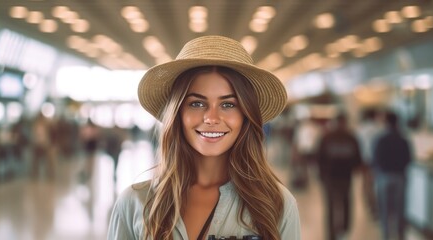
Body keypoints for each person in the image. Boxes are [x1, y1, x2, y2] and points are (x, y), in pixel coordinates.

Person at [108, 35, 301, 240]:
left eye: (228, 105)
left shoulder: (277, 204)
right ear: (178, 113)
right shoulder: (134, 203)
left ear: (246, 115)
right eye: (197, 103)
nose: (211, 118)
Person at [317, 113, 362, 240]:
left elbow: (319, 157)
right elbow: (319, 157)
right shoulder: (349, 137)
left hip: (336, 177)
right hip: (337, 177)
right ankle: (338, 232)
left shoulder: (329, 137)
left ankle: (338, 231)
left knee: (339, 204)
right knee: (339, 203)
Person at [372, 111, 412, 240]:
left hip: (384, 177)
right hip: (399, 177)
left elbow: (375, 159)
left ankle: (386, 235)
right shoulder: (403, 139)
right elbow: (409, 159)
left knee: (385, 209)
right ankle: (400, 235)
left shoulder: (380, 139)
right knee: (399, 210)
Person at [355, 108, 384, 219]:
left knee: (366, 185)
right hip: (377, 161)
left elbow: (358, 146)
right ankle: (376, 207)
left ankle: (370, 206)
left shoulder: (361, 129)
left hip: (364, 161)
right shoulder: (379, 129)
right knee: (375, 184)